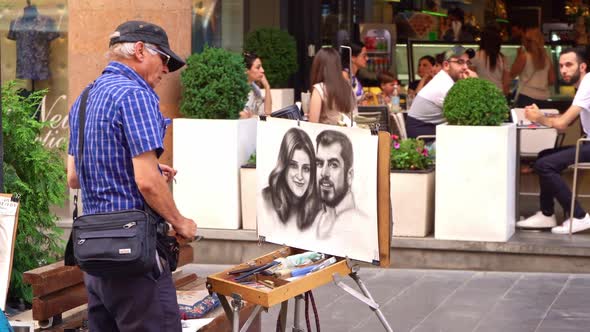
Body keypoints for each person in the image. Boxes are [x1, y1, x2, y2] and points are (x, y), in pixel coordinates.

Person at [66, 20, 197, 331]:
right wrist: (181, 223)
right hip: (133, 257)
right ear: (140, 50)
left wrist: (140, 167)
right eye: (164, 59)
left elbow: (73, 176)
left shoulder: (84, 98)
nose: (167, 70)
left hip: (95, 259)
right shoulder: (135, 95)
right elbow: (147, 182)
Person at [516, 47, 590, 234]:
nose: (563, 70)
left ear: (582, 67)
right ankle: (547, 214)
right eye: (561, 65)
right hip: (587, 143)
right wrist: (545, 117)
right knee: (544, 156)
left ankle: (579, 216)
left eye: (569, 65)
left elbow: (563, 124)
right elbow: (570, 119)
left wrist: (540, 118)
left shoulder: (587, 84)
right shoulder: (582, 86)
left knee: (545, 164)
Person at [406, 45, 477, 138]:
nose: (465, 67)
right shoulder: (443, 85)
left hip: (432, 133)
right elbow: (468, 115)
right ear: (446, 65)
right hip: (425, 141)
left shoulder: (446, 80)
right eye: (460, 62)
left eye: (467, 63)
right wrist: (474, 83)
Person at [262, 127, 321, 231]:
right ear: (283, 166)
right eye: (293, 166)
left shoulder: (319, 208)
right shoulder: (265, 200)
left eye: (306, 169)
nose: (300, 176)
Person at [314, 130, 369, 239]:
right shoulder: (319, 219)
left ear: (349, 175)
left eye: (333, 165)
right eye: (319, 163)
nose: (324, 173)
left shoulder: (361, 225)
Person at [308, 47, 356, 126]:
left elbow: (312, 125)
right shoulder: (347, 86)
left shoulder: (319, 89)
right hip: (348, 135)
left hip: (327, 136)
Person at [510, 28, 556, 108]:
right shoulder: (546, 58)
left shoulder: (524, 57)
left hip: (526, 96)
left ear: (526, 41)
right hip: (543, 98)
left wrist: (518, 56)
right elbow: (552, 80)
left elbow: (512, 74)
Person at [471, 25, 510, 96]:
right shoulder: (503, 58)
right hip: (498, 96)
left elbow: (471, 80)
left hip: (481, 96)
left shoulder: (475, 56)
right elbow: (506, 84)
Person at [241, 51, 272, 118]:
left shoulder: (255, 89)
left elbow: (267, 112)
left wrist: (267, 87)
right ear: (246, 71)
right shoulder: (237, 89)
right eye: (258, 68)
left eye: (261, 67)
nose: (262, 70)